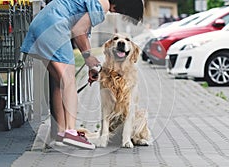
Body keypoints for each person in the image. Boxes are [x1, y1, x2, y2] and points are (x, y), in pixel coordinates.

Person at [20, 0, 144, 149]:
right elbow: (78, 30)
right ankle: (71, 133)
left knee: (60, 83)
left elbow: (80, 30)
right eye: (121, 12)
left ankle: (61, 133)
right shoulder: (103, 4)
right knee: (69, 81)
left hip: (40, 24)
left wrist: (89, 61)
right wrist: (88, 58)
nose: (114, 12)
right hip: (55, 27)